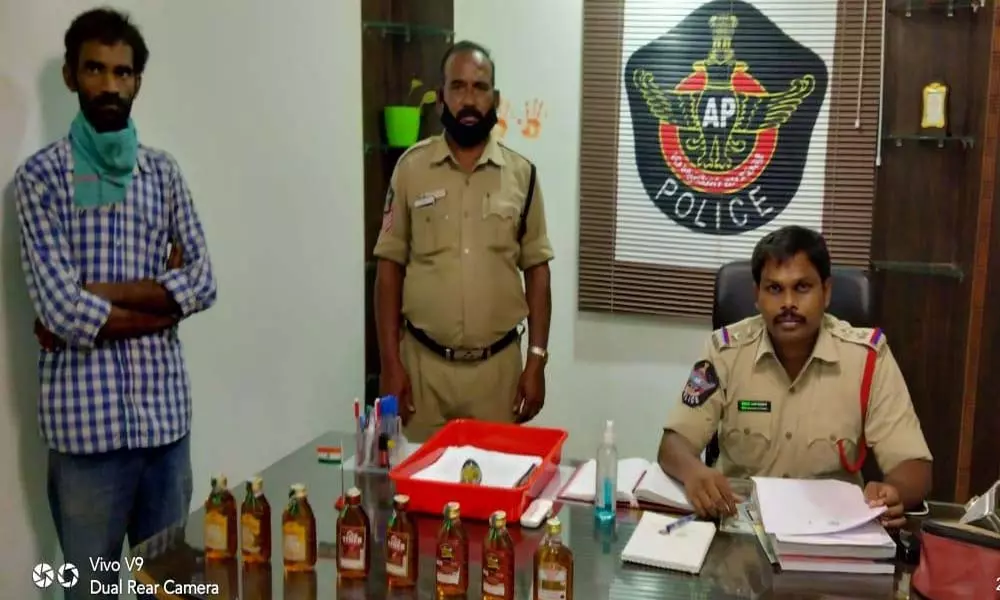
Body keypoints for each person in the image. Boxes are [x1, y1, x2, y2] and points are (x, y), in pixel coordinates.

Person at [13, 9, 217, 597]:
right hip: (86, 439)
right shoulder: (41, 179)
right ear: (71, 76)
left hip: (165, 428)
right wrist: (163, 305)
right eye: (95, 69)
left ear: (137, 82)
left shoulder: (163, 174)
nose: (109, 84)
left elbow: (203, 282)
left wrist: (96, 294)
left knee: (171, 588)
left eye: (122, 72)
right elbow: (61, 311)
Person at [657, 226, 932, 527]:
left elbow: (914, 464)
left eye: (802, 287)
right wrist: (694, 472)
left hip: (832, 530)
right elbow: (674, 444)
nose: (788, 302)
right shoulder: (725, 351)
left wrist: (895, 491)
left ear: (826, 292)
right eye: (774, 289)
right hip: (742, 525)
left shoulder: (867, 358)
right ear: (757, 296)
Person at [372, 40, 554, 442]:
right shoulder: (410, 170)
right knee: (417, 479)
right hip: (422, 375)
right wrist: (390, 364)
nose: (469, 100)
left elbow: (538, 272)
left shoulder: (522, 176)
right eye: (457, 87)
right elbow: (388, 270)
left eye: (479, 87)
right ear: (441, 98)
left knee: (497, 479)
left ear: (496, 99)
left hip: (497, 376)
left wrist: (537, 361)